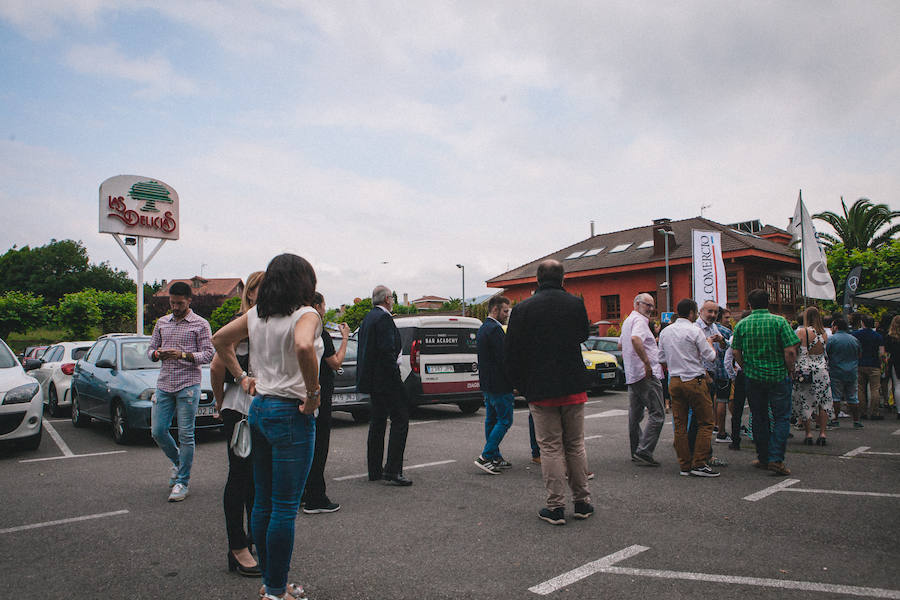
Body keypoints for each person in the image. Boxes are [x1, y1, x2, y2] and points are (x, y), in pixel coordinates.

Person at [213, 253, 323, 600]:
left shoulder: (256, 315)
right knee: (284, 507)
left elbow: (219, 340)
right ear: (303, 282)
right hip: (291, 412)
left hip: (259, 409)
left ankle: (271, 583)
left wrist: (243, 377)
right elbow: (305, 345)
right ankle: (277, 591)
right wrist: (314, 393)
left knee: (262, 502)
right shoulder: (306, 314)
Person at [504, 259, 592, 525]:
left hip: (540, 387)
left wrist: (519, 383)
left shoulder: (522, 309)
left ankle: (555, 507)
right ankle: (582, 502)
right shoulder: (575, 304)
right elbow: (582, 335)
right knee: (575, 445)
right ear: (563, 279)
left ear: (537, 281)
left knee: (551, 447)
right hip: (573, 385)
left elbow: (512, 351)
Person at [211, 271, 265, 577]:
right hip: (239, 407)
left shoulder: (267, 322)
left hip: (263, 407)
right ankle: (238, 547)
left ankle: (254, 539)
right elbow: (217, 366)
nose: (263, 293)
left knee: (257, 478)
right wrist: (221, 403)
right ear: (250, 293)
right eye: (258, 289)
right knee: (240, 476)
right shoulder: (242, 322)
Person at [148, 281, 215, 502]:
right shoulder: (162, 323)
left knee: (186, 434)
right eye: (172, 303)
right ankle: (178, 463)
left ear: (189, 301)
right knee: (158, 431)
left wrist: (183, 355)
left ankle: (182, 482)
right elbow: (150, 350)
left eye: (180, 303)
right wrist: (158, 354)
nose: (175, 307)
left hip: (188, 385)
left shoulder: (200, 324)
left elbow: (208, 354)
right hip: (164, 383)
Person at [731, 289, 800, 476]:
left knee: (759, 417)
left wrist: (746, 366)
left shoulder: (742, 325)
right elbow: (790, 351)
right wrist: (790, 368)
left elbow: (735, 352)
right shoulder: (779, 322)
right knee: (781, 417)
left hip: (753, 377)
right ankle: (776, 459)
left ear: (750, 305)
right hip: (778, 376)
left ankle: (763, 457)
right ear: (768, 302)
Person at [357, 285, 411, 486]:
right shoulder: (384, 319)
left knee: (378, 422)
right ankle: (393, 469)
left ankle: (375, 469)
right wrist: (396, 380)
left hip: (373, 380)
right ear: (387, 299)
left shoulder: (368, 318)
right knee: (400, 419)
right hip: (387, 378)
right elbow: (387, 351)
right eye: (392, 298)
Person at [658, 298, 719, 477]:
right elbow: (711, 357)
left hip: (674, 380)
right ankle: (699, 463)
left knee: (680, 423)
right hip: (694, 379)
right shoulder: (695, 330)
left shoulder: (666, 331)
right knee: (706, 421)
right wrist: (709, 344)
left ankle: (684, 464)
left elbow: (661, 358)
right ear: (692, 313)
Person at [302, 293, 350, 513]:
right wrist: (346, 338)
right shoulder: (320, 332)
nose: (323, 311)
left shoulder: (297, 328)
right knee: (319, 446)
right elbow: (335, 362)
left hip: (300, 394)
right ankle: (316, 497)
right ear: (316, 306)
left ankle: (302, 493)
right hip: (319, 394)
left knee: (304, 447)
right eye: (323, 306)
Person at [619, 293, 665, 466]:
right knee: (658, 413)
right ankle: (644, 451)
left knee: (635, 415)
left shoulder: (629, 321)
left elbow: (621, 344)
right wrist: (646, 362)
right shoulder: (639, 321)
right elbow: (635, 339)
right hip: (644, 373)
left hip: (632, 374)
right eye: (648, 305)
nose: (651, 309)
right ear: (637, 304)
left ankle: (636, 450)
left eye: (652, 306)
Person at [474, 295, 514, 474]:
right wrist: (514, 380)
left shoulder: (483, 328)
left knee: (491, 419)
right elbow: (504, 360)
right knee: (505, 420)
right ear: (495, 310)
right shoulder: (495, 330)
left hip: (487, 383)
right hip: (499, 384)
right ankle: (486, 456)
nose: (507, 314)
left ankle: (495, 456)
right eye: (505, 311)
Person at [791, 307, 834, 446]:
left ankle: (808, 433)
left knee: (805, 401)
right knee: (823, 402)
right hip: (821, 370)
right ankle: (822, 433)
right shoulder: (824, 334)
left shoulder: (802, 332)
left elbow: (794, 349)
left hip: (805, 370)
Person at [694, 300, 731, 444]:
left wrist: (722, 340)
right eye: (709, 311)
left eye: (715, 312)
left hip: (712, 372)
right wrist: (706, 375)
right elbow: (695, 356)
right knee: (702, 415)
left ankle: (703, 450)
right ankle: (700, 452)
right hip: (702, 374)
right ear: (701, 311)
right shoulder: (696, 328)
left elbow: (723, 348)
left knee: (707, 414)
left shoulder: (713, 327)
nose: (713, 315)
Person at [826, 316, 862, 428]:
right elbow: (859, 354)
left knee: (836, 397)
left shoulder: (832, 339)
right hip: (852, 371)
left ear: (835, 327)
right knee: (853, 397)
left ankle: (835, 419)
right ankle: (856, 420)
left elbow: (826, 354)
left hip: (836, 371)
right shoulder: (854, 339)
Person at [724, 310, 751, 449]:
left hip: (741, 373)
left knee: (737, 409)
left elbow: (728, 360)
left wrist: (733, 376)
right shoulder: (758, 334)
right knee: (758, 408)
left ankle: (735, 440)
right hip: (756, 372)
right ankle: (758, 438)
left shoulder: (736, 336)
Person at [852, 314, 885, 420]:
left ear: (863, 323)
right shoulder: (878, 336)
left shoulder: (855, 334)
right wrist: (881, 363)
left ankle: (862, 412)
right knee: (875, 389)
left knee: (860, 388)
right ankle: (875, 412)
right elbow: (881, 353)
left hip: (859, 364)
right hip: (874, 364)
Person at [884, 315, 900, 420]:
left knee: (897, 385)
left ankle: (899, 410)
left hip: (895, 362)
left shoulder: (890, 337)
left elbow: (887, 351)